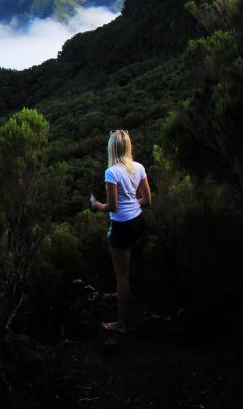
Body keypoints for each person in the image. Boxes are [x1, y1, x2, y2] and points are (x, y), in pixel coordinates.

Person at [90, 129, 152, 333]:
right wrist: (133, 204)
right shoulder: (139, 167)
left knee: (122, 277)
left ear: (111, 149)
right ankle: (140, 307)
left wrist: (97, 205)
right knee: (134, 267)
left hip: (122, 226)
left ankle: (121, 323)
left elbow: (113, 206)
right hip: (138, 222)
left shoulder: (112, 172)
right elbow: (147, 200)